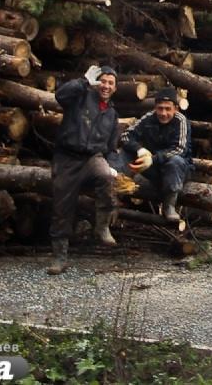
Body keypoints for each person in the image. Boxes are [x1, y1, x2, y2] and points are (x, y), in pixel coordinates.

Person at [47, 64, 120, 275]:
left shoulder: (112, 114)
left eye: (110, 83)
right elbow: (60, 96)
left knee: (106, 175)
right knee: (62, 206)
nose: (106, 86)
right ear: (98, 83)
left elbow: (112, 148)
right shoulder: (80, 96)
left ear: (115, 88)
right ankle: (60, 256)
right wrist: (84, 81)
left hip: (92, 158)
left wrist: (114, 167)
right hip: (67, 157)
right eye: (103, 81)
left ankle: (102, 226)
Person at [116, 88, 193, 221]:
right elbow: (126, 136)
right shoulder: (149, 117)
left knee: (176, 160)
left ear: (176, 108)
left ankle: (169, 205)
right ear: (155, 107)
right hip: (152, 168)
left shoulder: (181, 121)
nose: (163, 113)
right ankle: (117, 191)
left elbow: (180, 149)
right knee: (126, 152)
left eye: (168, 109)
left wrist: (153, 159)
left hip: (177, 170)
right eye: (160, 108)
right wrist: (139, 149)